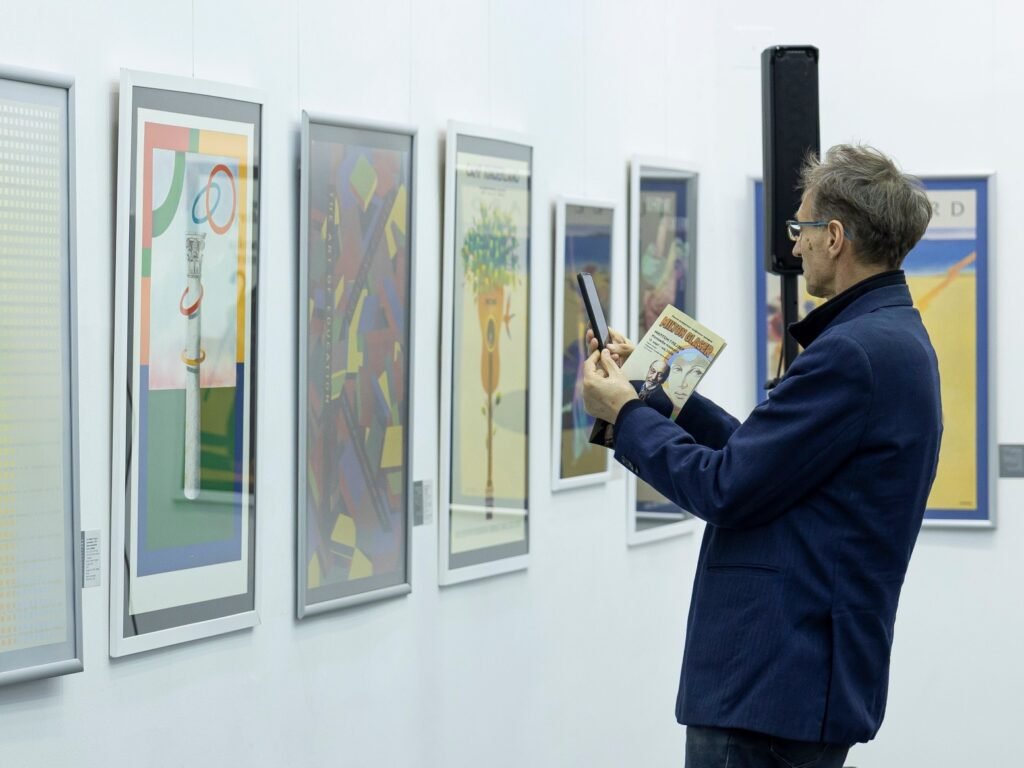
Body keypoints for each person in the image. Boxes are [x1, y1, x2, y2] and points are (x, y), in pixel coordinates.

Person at [582, 144, 940, 768]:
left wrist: (628, 415)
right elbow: (765, 461)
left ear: (834, 237)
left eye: (801, 231)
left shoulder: (852, 353)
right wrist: (652, 390)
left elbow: (725, 487)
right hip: (795, 683)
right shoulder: (890, 338)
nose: (795, 248)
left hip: (771, 684)